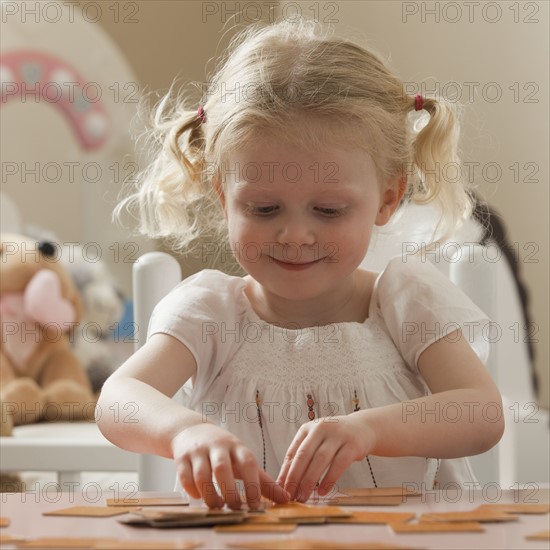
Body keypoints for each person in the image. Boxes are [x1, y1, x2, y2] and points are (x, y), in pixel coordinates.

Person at [98, 18, 504, 510]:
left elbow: (481, 413)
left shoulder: (404, 301)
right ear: (224, 195)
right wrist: (184, 431)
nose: (294, 235)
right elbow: (118, 398)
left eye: (328, 210)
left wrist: (368, 430)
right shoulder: (212, 313)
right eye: (263, 209)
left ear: (389, 198)